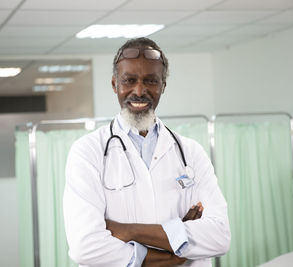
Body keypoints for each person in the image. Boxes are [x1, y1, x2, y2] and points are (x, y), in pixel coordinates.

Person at [63, 37, 231, 267]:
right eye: (129, 80)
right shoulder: (88, 152)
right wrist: (172, 255)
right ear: (115, 84)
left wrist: (128, 230)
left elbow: (219, 236)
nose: (139, 91)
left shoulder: (191, 153)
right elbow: (86, 246)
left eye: (151, 81)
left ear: (162, 86)